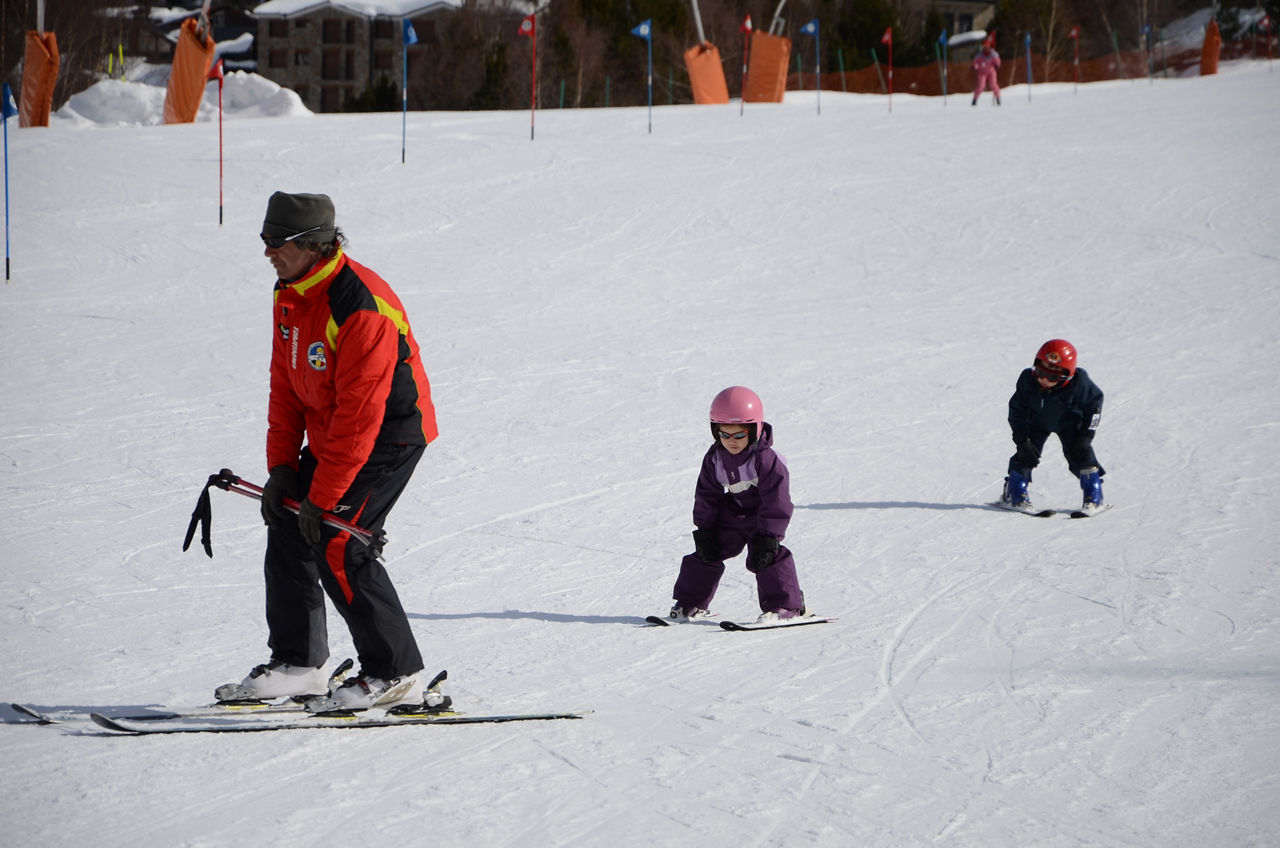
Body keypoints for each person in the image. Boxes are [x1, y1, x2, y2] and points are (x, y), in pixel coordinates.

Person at [216, 191, 438, 710]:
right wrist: (281, 469)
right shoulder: (290, 291)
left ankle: (395, 673)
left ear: (315, 245)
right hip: (334, 431)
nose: (267, 252)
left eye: (277, 242)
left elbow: (362, 414)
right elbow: (286, 385)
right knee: (288, 522)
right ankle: (298, 664)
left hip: (389, 435)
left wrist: (326, 494)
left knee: (341, 541)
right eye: (264, 240)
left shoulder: (360, 306)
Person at [666, 386, 806, 623]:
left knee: (767, 554)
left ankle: (786, 606)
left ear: (754, 429)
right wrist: (706, 529)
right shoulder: (715, 458)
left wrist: (770, 534)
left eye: (739, 435)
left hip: (763, 515)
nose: (731, 441)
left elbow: (777, 498)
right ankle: (691, 603)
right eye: (725, 434)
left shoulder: (765, 460)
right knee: (707, 552)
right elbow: (707, 494)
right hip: (735, 512)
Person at [1001, 339, 1105, 514]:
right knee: (1026, 455)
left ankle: (1093, 494)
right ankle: (1015, 491)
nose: (1044, 379)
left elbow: (1094, 407)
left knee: (1081, 455)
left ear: (1067, 376)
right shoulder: (1028, 380)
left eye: (1052, 377)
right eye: (1040, 372)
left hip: (1070, 423)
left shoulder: (1080, 384)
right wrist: (1021, 439)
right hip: (1036, 422)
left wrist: (1086, 437)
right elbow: (1016, 410)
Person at [972, 40, 1002, 106]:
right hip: (982, 73)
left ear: (989, 46)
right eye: (984, 47)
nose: (986, 48)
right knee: (981, 86)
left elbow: (997, 60)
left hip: (991, 72)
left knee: (993, 84)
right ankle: (975, 99)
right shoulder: (979, 56)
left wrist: (997, 64)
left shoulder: (993, 54)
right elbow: (976, 63)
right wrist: (975, 67)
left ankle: (998, 98)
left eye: (987, 46)